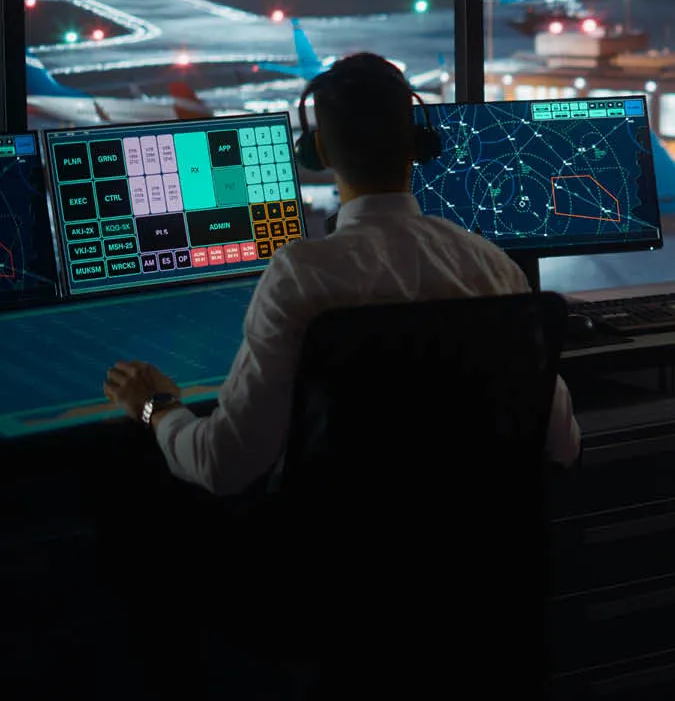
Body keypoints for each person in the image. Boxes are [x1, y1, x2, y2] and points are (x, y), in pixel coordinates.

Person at [102, 53, 580, 497]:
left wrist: (155, 406)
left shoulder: (301, 277)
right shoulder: (491, 267)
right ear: (417, 145)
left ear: (320, 151)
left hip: (336, 572)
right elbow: (563, 444)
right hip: (484, 569)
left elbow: (222, 465)